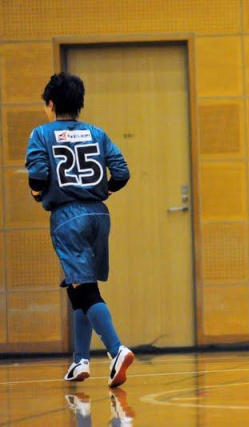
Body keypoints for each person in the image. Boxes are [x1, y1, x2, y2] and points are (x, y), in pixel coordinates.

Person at [25, 72, 134, 387]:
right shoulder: (97, 133)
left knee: (85, 289)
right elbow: (122, 173)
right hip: (99, 214)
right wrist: (106, 189)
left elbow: (37, 176)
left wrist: (37, 193)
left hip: (68, 217)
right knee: (78, 286)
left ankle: (117, 350)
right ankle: (80, 361)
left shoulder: (41, 134)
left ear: (51, 104)